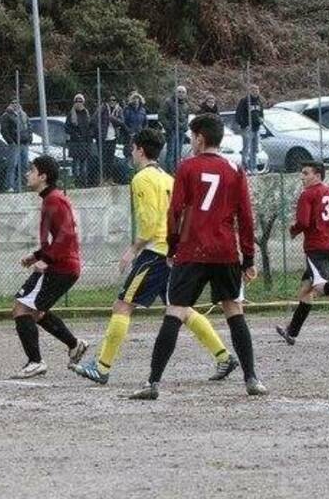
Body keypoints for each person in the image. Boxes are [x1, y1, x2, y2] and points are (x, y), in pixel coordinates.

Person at [72, 129, 238, 385]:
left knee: (123, 305)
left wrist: (133, 249)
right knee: (181, 309)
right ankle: (224, 355)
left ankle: (102, 367)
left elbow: (149, 225)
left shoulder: (142, 178)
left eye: (132, 148)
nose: (130, 152)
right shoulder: (167, 177)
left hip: (155, 252)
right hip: (173, 251)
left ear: (140, 149)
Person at [130, 114, 267, 400]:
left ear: (200, 138)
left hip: (192, 251)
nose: (190, 142)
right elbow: (245, 217)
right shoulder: (235, 168)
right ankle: (251, 378)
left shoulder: (187, 168)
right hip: (225, 251)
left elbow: (175, 212)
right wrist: (249, 259)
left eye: (192, 137)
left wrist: (172, 247)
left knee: (175, 312)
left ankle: (152, 383)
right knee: (233, 311)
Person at [11, 155, 88, 378]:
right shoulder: (52, 198)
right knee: (37, 311)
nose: (28, 174)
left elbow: (66, 237)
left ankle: (35, 362)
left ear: (43, 176)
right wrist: (36, 256)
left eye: (32, 170)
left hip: (60, 267)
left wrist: (46, 260)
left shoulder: (54, 200)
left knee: (21, 310)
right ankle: (74, 345)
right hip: (63, 265)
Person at [276, 162, 329, 345]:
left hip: (315, 247)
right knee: (305, 290)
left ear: (317, 175)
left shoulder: (307, 194)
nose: (302, 177)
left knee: (318, 285)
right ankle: (291, 332)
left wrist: (293, 229)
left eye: (306, 173)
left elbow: (303, 221)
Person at [0, 97, 31, 193]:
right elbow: (4, 130)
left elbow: (29, 126)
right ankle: (10, 185)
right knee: (12, 165)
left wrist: (30, 138)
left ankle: (19, 185)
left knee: (25, 165)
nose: (15, 104)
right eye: (13, 102)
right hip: (14, 144)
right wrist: (10, 141)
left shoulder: (24, 114)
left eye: (17, 102)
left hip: (24, 143)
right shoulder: (6, 115)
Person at [159, 85, 189, 173]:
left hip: (181, 132)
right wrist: (168, 127)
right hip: (171, 131)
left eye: (183, 92)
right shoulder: (168, 102)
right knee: (171, 153)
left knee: (178, 153)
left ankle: (177, 173)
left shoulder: (186, 105)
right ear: (175, 92)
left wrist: (185, 127)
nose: (181, 94)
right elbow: (161, 115)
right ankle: (170, 173)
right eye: (179, 92)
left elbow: (186, 117)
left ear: (185, 94)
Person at [65, 94, 94, 186]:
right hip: (75, 142)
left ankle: (84, 182)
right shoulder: (71, 114)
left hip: (85, 142)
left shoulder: (86, 113)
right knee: (75, 164)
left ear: (83, 102)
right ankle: (76, 182)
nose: (78, 103)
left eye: (80, 101)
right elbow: (67, 127)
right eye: (77, 101)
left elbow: (91, 126)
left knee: (84, 164)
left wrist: (90, 134)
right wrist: (75, 134)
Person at [94, 95, 125, 183]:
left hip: (113, 137)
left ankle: (110, 178)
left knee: (110, 159)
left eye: (114, 100)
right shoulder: (102, 108)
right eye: (110, 100)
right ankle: (102, 179)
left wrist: (112, 118)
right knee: (102, 159)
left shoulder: (119, 110)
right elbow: (94, 119)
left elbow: (121, 122)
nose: (112, 101)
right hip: (103, 138)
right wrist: (99, 130)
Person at [235, 84, 265, 174]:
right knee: (246, 148)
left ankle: (253, 167)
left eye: (257, 90)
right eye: (253, 90)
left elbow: (261, 113)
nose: (255, 92)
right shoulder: (245, 101)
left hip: (256, 128)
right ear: (250, 91)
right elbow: (238, 114)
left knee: (254, 148)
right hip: (247, 128)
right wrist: (244, 124)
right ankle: (245, 167)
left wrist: (261, 120)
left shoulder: (259, 101)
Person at [123, 92, 148, 158]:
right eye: (134, 99)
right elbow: (124, 123)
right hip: (130, 136)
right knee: (129, 153)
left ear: (140, 100)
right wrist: (129, 131)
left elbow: (145, 123)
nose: (136, 101)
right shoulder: (127, 110)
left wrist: (143, 131)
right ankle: (128, 166)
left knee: (139, 152)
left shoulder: (143, 110)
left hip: (140, 135)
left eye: (137, 99)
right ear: (132, 100)